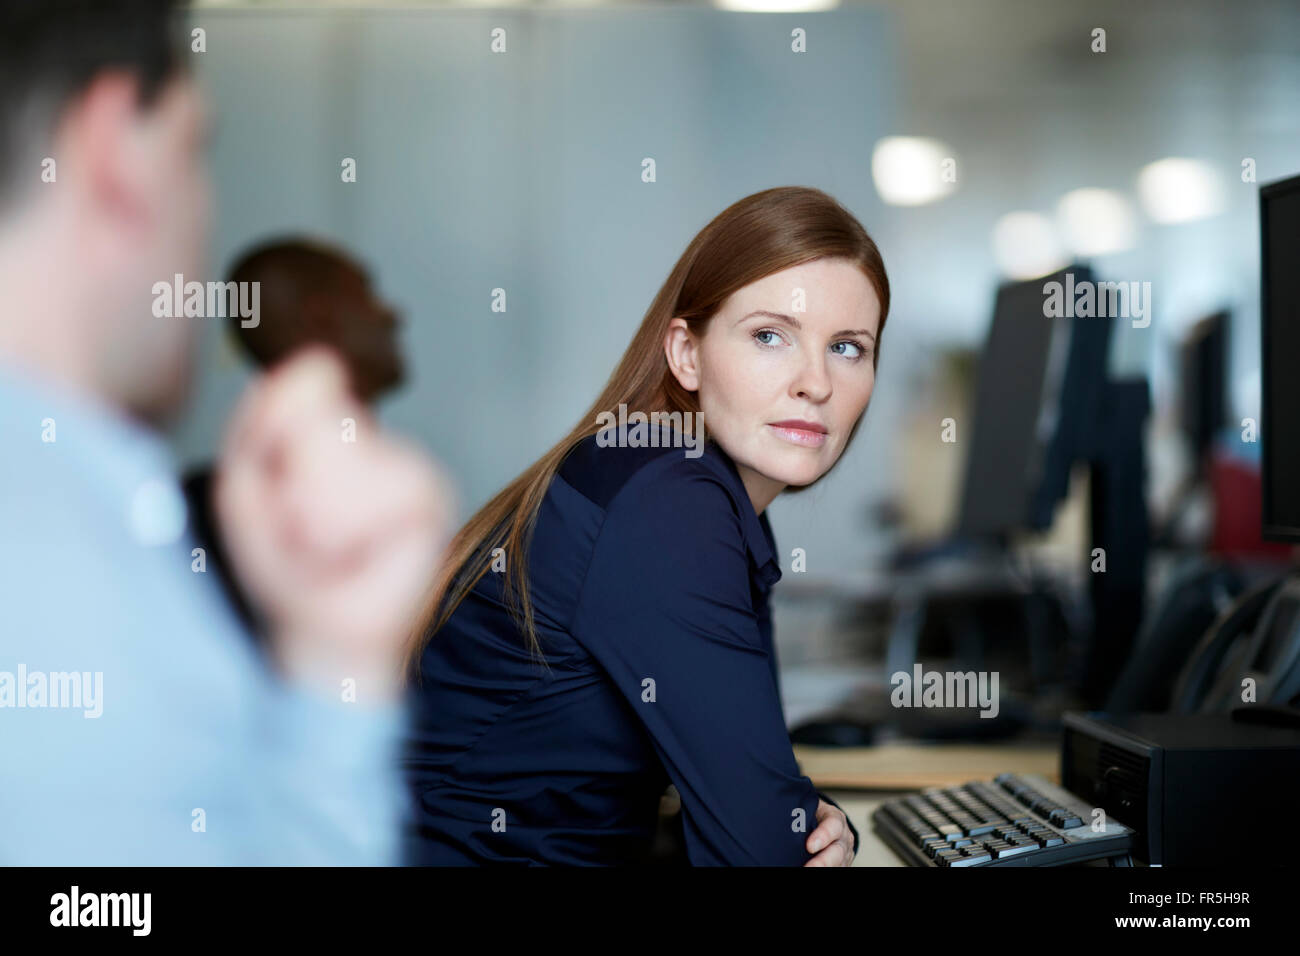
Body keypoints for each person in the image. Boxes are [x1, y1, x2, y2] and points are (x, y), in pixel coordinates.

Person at [0, 0, 450, 864]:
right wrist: (340, 699)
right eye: (194, 149)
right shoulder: (80, 583)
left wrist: (335, 667)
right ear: (114, 156)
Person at [405, 186, 888, 865]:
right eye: (769, 336)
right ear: (686, 354)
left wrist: (808, 817)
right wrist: (799, 822)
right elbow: (761, 844)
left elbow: (758, 798)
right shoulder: (671, 500)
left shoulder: (685, 485)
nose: (815, 382)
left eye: (847, 347)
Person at [183, 239, 407, 634]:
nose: (393, 315)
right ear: (322, 318)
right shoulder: (214, 527)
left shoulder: (192, 514)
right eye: (367, 293)